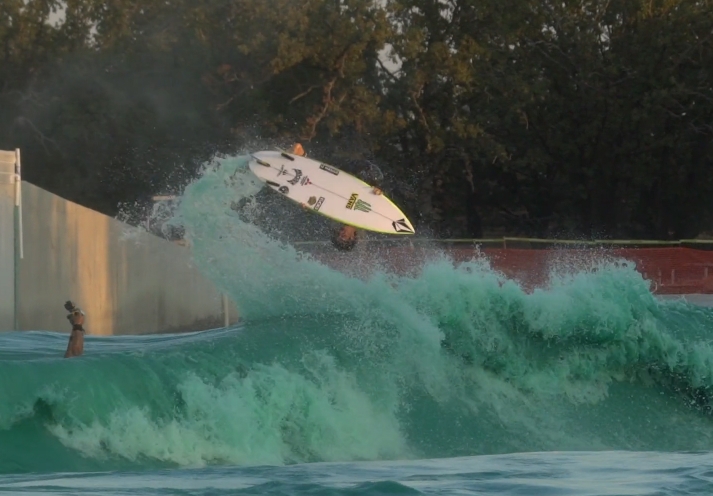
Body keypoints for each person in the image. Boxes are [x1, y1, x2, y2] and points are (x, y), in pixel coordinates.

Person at [288, 142, 382, 252]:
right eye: (343, 236)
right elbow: (378, 203)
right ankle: (302, 157)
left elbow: (323, 204)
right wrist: (378, 189)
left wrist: (306, 205)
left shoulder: (336, 221)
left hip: (341, 179)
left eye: (338, 234)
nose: (340, 232)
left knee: (319, 187)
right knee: (373, 176)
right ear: (352, 237)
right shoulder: (366, 221)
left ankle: (301, 156)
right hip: (364, 171)